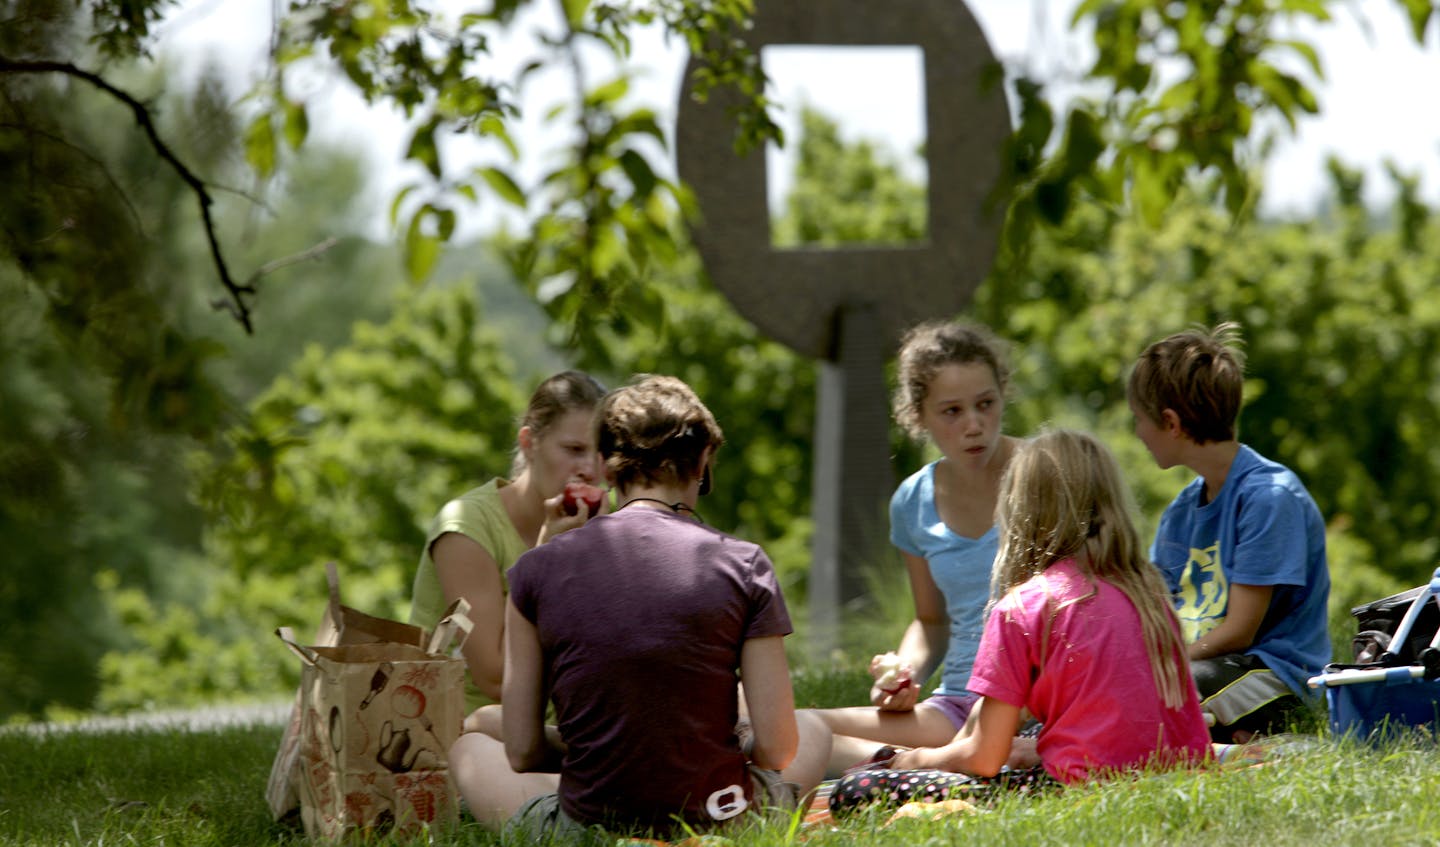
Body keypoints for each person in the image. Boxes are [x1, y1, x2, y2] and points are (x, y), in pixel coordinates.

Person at [449, 375, 829, 839]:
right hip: (723, 820)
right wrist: (733, 737)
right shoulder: (745, 563)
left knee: (469, 749)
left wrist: (606, 747)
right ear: (703, 461)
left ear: (608, 469)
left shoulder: (535, 571)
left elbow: (523, 752)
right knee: (813, 730)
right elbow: (776, 749)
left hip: (587, 829)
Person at [830, 430, 1212, 813]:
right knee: (1026, 732)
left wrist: (905, 761)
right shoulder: (1147, 592)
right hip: (1169, 772)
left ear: (1020, 510)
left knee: (858, 785)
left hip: (1076, 788)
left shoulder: (1023, 606)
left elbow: (983, 759)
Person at [807, 320, 1023, 775]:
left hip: (1041, 696)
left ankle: (909, 766)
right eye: (952, 411)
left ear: (1003, 393)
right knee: (794, 729)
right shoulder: (912, 500)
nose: (974, 425)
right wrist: (902, 675)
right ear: (917, 416)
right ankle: (921, 764)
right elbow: (931, 622)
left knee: (813, 748)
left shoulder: (1045, 472)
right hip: (957, 706)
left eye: (986, 404)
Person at [1128, 323, 1330, 743]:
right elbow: (1154, 610)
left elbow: (1240, 631)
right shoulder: (1181, 512)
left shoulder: (1270, 498)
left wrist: (1165, 665)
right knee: (1115, 694)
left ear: (1170, 423)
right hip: (1200, 667)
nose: (1137, 432)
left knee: (1153, 703)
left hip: (1272, 676)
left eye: (1139, 419)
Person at [408, 369, 608, 722]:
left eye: (602, 452)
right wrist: (549, 555)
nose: (590, 469)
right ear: (530, 443)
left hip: (574, 732)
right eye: (574, 449)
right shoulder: (466, 527)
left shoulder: (610, 523)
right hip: (474, 734)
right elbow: (497, 679)